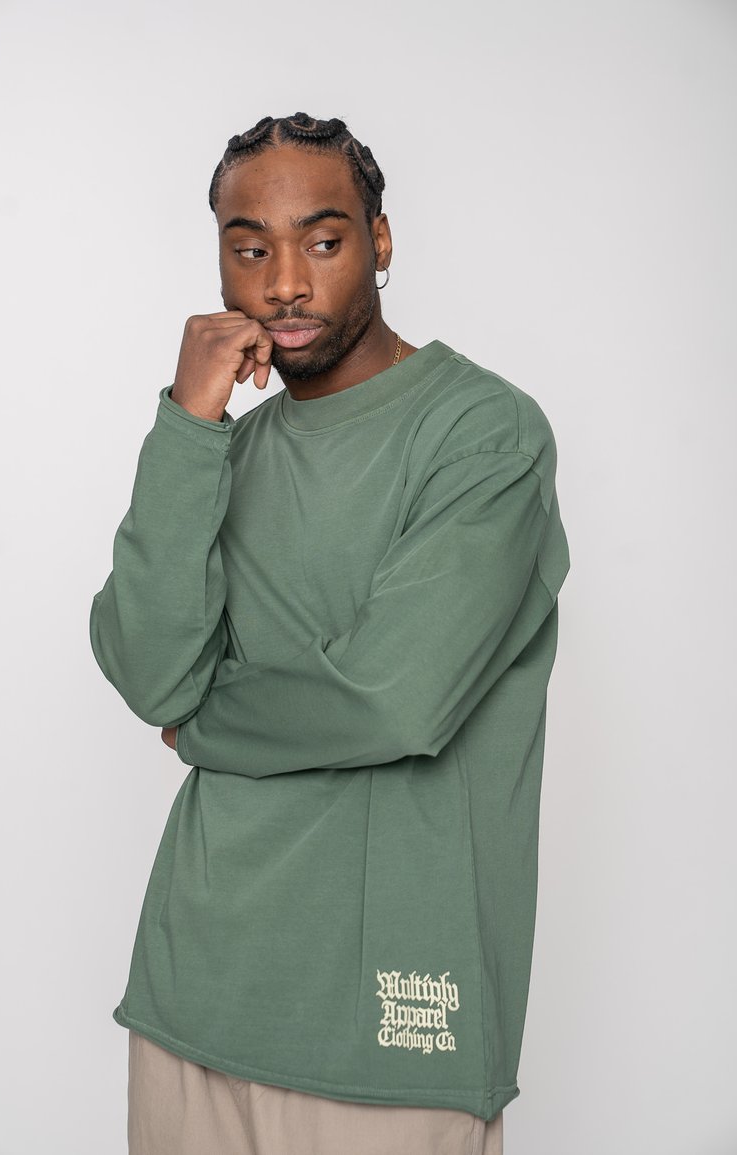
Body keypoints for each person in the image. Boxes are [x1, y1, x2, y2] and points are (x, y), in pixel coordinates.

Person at [89, 111, 571, 1155]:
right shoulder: (222, 449)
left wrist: (204, 727)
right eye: (248, 249)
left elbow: (392, 696)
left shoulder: (483, 433)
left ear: (379, 242)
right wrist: (187, 424)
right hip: (190, 991)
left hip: (383, 1027)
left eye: (321, 240)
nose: (283, 285)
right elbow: (148, 672)